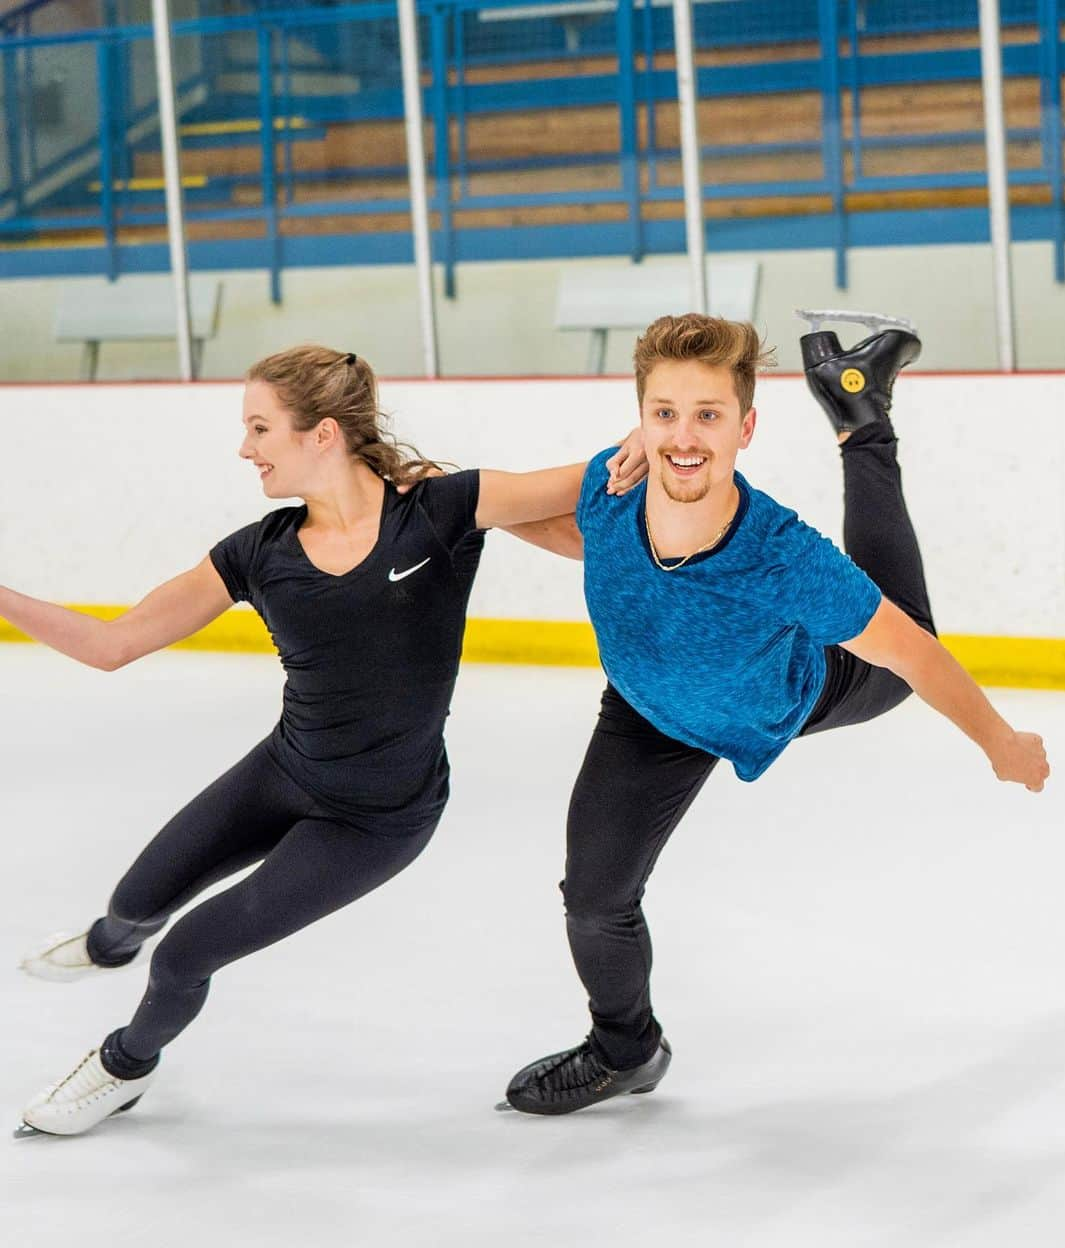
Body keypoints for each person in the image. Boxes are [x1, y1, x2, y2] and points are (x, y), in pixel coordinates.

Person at [12, 344, 644, 1137]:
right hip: (285, 769)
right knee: (133, 903)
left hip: (378, 819)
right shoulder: (258, 552)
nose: (245, 448)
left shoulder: (441, 508)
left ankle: (122, 1067)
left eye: (259, 427)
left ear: (322, 435)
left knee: (183, 954)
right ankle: (106, 946)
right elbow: (114, 644)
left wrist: (663, 430)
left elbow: (597, 478)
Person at [500, 311, 1050, 1116]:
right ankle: (626, 1049)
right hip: (648, 711)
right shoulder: (609, 488)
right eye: (665, 413)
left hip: (796, 689)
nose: (685, 436)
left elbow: (917, 659)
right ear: (640, 416)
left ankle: (862, 422)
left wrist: (1000, 741)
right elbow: (541, 518)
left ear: (747, 426)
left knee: (903, 626)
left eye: (709, 416)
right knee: (593, 895)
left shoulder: (784, 556)